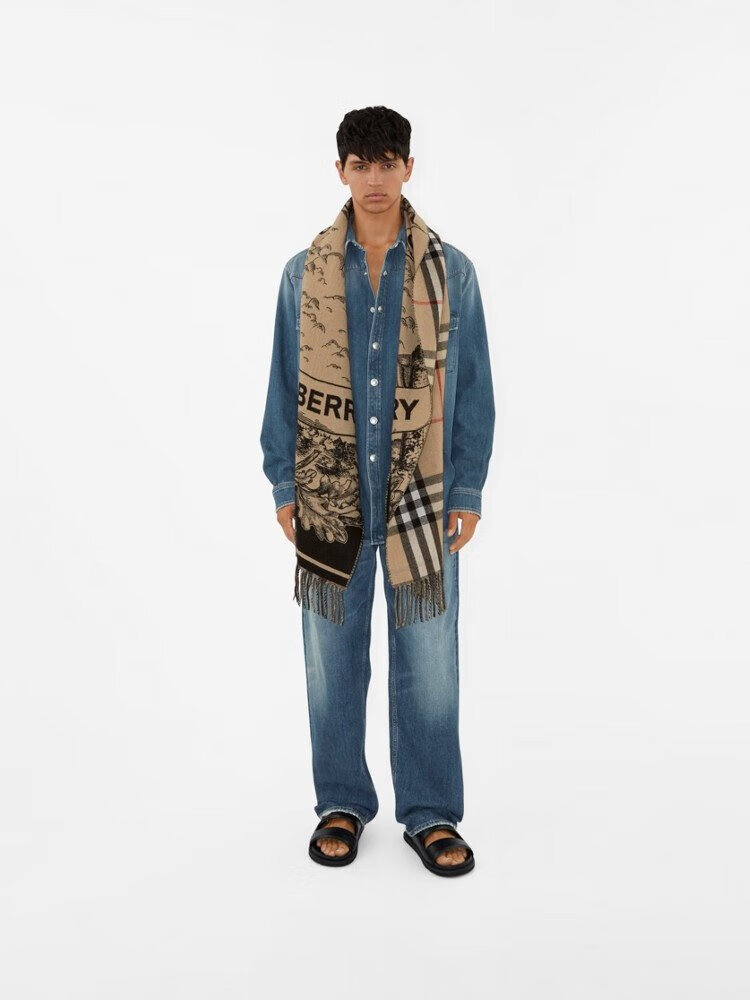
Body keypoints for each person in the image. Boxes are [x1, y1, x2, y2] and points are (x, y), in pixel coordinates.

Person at [260, 106, 495, 877]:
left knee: (429, 667)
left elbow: (473, 389)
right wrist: (286, 483)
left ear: (408, 168)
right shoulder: (303, 272)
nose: (374, 177)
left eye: (387, 161)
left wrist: (466, 488)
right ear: (340, 172)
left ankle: (431, 813)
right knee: (331, 664)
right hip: (330, 496)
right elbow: (282, 383)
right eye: (360, 164)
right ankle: (341, 803)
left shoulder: (451, 272)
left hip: (421, 501)